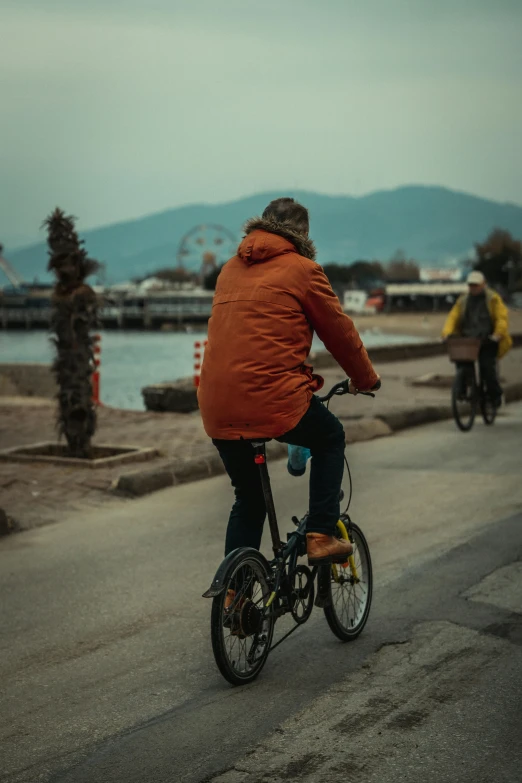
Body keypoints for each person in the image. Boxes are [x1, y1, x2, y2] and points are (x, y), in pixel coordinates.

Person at [198, 197, 380, 568]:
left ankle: (237, 593)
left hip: (216, 405)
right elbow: (340, 334)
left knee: (247, 498)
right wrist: (365, 379)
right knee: (330, 437)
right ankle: (321, 535)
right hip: (273, 401)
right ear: (303, 234)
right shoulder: (304, 270)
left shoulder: (228, 269)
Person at [442, 270, 512, 406]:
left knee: (487, 368)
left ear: (483, 284)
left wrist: (498, 334)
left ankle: (495, 395)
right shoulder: (463, 300)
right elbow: (453, 317)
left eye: (476, 285)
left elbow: (501, 318)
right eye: (471, 285)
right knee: (461, 363)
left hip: (488, 339)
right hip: (468, 339)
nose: (473, 288)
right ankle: (462, 389)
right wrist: (446, 333)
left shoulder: (493, 299)